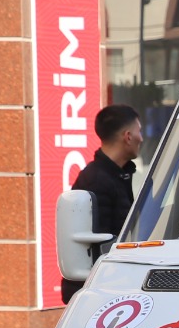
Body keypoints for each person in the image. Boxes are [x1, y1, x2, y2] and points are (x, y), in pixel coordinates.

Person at [60, 104, 142, 303]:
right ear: (128, 136)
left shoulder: (119, 176)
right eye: (139, 131)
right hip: (99, 292)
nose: (142, 138)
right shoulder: (97, 180)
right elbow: (100, 245)